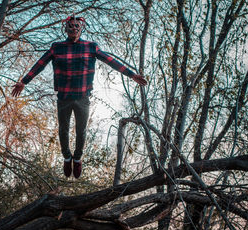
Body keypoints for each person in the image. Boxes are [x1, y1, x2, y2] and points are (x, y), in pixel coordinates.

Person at [12, 15, 147, 179]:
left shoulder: (91, 47)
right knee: (63, 130)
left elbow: (110, 61)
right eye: (71, 25)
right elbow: (40, 64)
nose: (74, 28)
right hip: (64, 97)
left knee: (81, 131)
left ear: (81, 28)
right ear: (66, 28)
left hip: (83, 97)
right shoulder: (57, 47)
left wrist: (131, 75)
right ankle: (67, 157)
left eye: (77, 26)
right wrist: (24, 81)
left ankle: (77, 158)